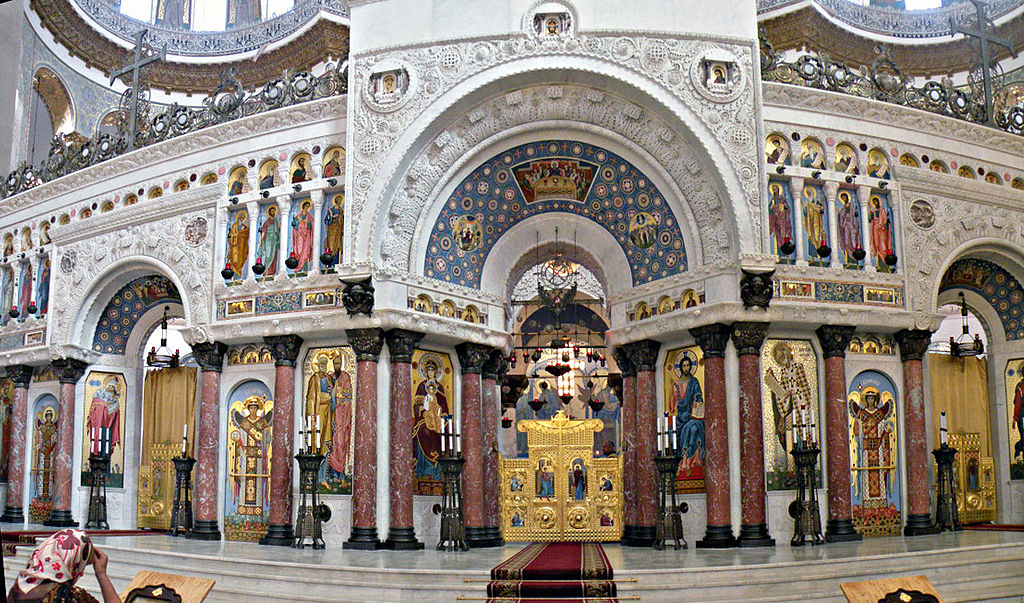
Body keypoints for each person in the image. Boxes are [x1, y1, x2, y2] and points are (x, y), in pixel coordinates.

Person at [8, 529, 121, 602]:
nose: (81, 574)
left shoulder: (19, 588)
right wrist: (101, 574)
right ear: (73, 563)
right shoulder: (70, 596)